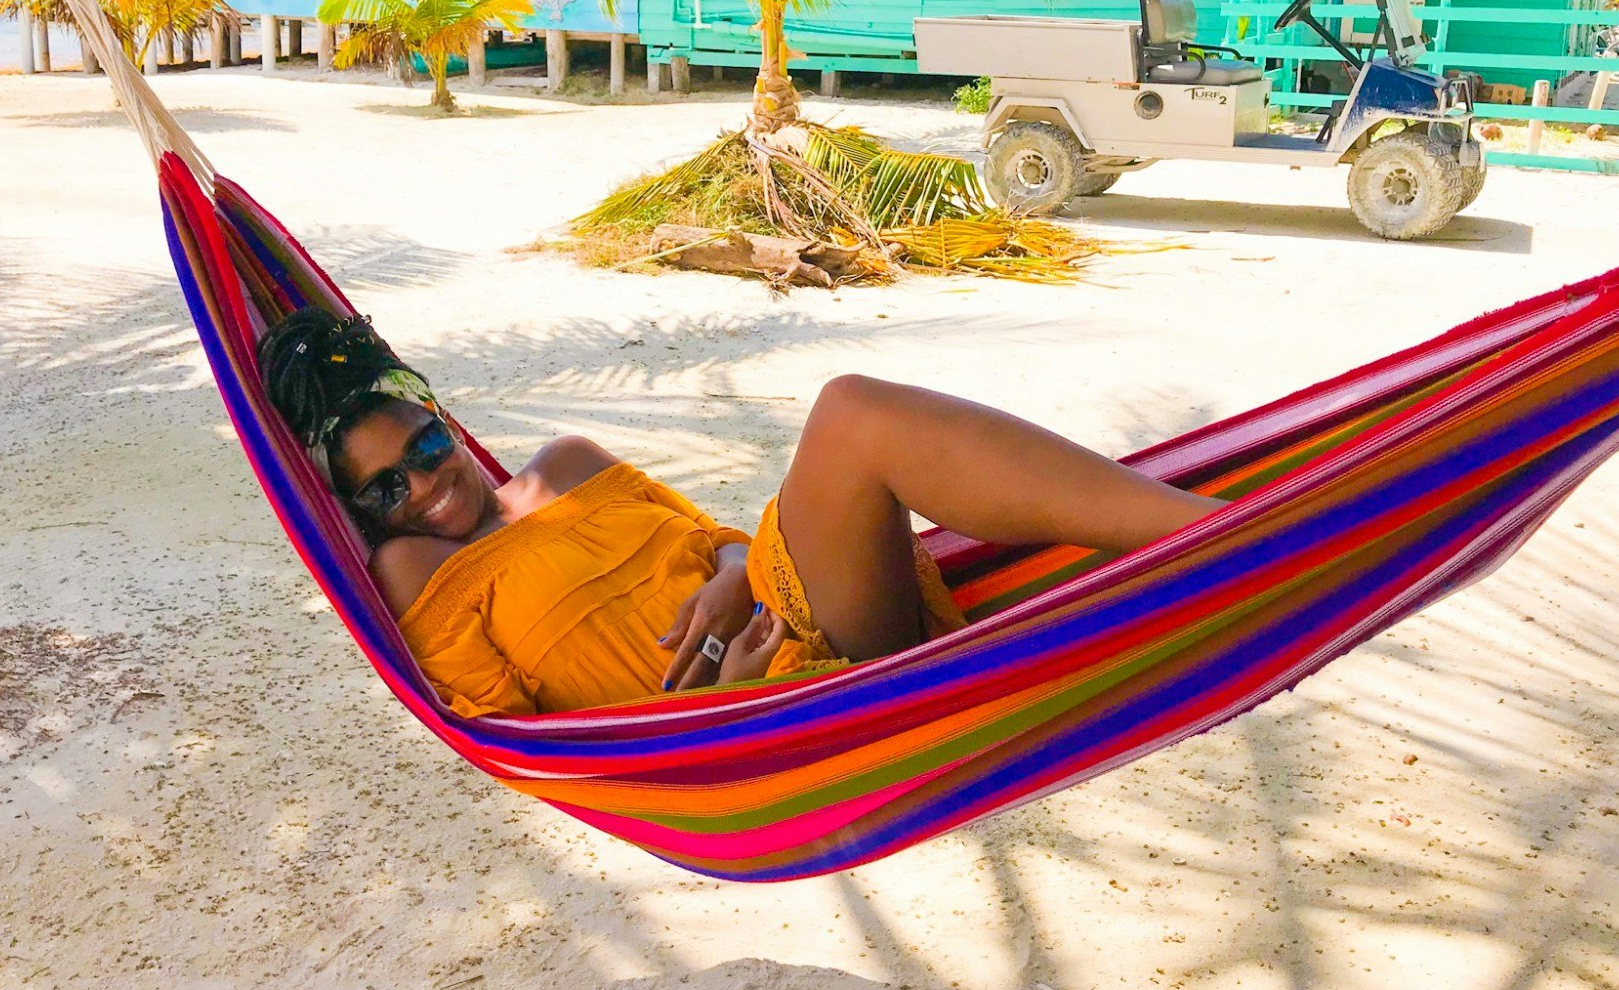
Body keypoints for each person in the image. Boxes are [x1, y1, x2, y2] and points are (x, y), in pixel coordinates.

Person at [259, 307, 1221, 717]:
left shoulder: (567, 463)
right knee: (848, 413)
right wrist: (719, 690)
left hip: (793, 606)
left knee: (852, 413)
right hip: (761, 715)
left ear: (441, 416)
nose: (427, 485)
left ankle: (1214, 528)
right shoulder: (415, 571)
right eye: (386, 489)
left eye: (425, 446)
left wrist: (725, 583)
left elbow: (717, 544)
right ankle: (1206, 528)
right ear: (360, 513)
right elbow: (519, 734)